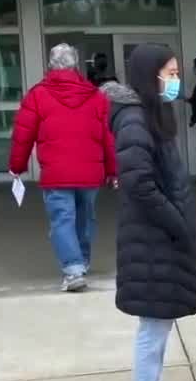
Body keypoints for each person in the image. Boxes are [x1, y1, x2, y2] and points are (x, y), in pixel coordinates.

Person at [102, 44, 196, 381]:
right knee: (153, 322)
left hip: (159, 235)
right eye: (171, 73)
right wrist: (176, 221)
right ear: (151, 75)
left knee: (161, 318)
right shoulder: (134, 120)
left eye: (177, 73)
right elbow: (139, 184)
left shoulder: (152, 114)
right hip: (153, 235)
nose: (176, 80)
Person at [9, 43, 117, 293]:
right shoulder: (96, 96)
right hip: (90, 173)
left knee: (62, 220)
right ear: (76, 65)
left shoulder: (37, 95)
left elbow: (23, 134)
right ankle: (82, 262)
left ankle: (73, 269)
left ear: (50, 64)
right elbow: (108, 137)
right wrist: (113, 170)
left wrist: (17, 166)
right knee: (85, 218)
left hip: (56, 173)